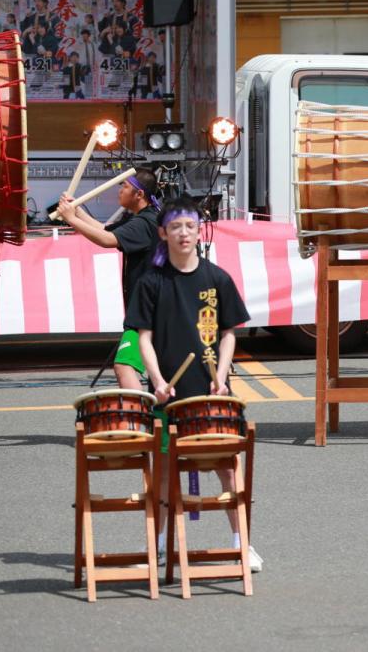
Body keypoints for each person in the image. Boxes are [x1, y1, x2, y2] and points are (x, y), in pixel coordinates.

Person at [124, 196, 260, 572]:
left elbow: (229, 333)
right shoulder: (151, 282)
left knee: (227, 467)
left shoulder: (217, 278)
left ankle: (243, 544)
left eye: (190, 226)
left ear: (199, 232)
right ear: (162, 233)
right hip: (168, 396)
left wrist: (222, 375)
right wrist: (157, 380)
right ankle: (158, 547)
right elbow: (144, 338)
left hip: (212, 393)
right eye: (176, 227)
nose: (184, 233)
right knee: (164, 471)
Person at [56, 167, 160, 391]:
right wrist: (76, 210)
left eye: (125, 187)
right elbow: (105, 229)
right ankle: (149, 410)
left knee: (124, 366)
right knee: (154, 373)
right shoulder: (142, 218)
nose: (120, 191)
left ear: (139, 194)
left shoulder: (145, 223)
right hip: (149, 309)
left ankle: (138, 411)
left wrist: (71, 219)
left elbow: (107, 239)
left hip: (149, 312)